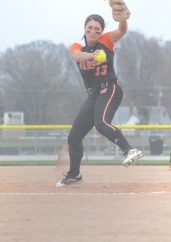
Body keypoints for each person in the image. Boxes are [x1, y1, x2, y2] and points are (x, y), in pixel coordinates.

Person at [56, 13, 143, 188]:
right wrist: (94, 56)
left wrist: (123, 18)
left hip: (110, 89)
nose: (93, 31)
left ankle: (129, 150)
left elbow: (122, 30)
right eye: (90, 28)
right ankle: (74, 174)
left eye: (97, 29)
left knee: (101, 123)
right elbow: (77, 57)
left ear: (101, 31)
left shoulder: (106, 40)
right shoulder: (77, 47)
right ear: (85, 29)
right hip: (93, 95)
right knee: (73, 138)